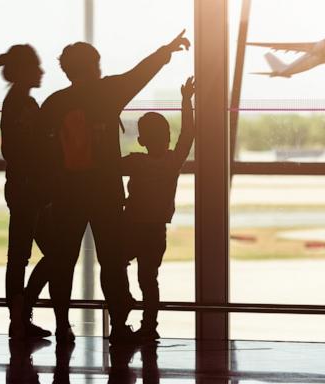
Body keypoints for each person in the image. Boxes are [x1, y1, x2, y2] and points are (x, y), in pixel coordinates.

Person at [40, 31, 191, 344]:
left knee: (63, 261)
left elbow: (42, 153)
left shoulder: (54, 104)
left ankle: (62, 325)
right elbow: (140, 73)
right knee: (112, 262)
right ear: (93, 66)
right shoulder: (105, 93)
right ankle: (119, 327)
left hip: (67, 195)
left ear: (67, 71)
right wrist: (166, 50)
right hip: (105, 194)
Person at [122, 77, 195, 342]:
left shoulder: (135, 162)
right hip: (155, 231)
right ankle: (149, 326)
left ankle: (124, 303)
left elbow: (107, 167)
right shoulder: (171, 162)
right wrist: (186, 101)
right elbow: (189, 134)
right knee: (149, 280)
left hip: (131, 226)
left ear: (141, 140)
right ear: (168, 138)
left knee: (117, 264)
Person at [0, 45, 52, 339]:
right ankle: (21, 310)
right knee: (45, 253)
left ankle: (20, 312)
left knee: (20, 255)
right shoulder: (24, 105)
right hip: (30, 189)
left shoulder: (16, 102)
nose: (42, 72)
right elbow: (26, 149)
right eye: (37, 67)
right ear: (26, 71)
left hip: (22, 187)